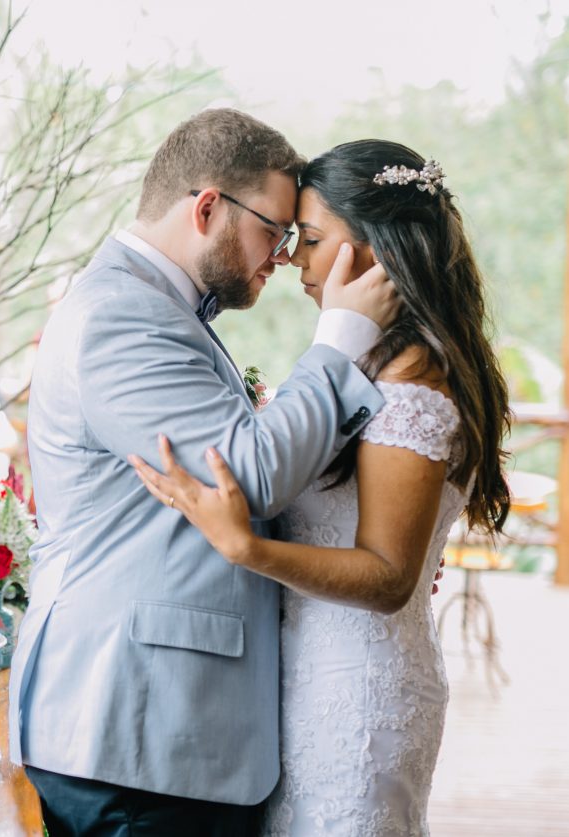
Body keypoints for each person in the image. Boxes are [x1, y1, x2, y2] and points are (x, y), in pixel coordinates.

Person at [9, 109, 400, 835]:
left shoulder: (160, 307)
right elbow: (244, 476)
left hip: (160, 733)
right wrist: (340, 338)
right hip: (139, 733)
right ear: (209, 207)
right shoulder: (122, 315)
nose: (284, 257)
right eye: (276, 231)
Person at [132, 140, 512, 835]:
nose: (291, 260)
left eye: (309, 240)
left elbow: (391, 574)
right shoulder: (369, 361)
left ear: (376, 248)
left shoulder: (412, 385)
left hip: (360, 695)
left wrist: (247, 547)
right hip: (305, 679)